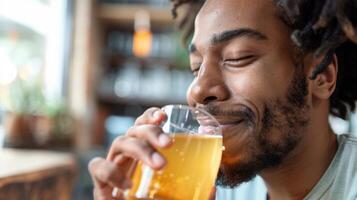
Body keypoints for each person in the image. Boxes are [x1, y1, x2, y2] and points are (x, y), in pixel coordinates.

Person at [88, 0, 357, 199]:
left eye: (237, 58)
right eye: (196, 67)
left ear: (321, 75)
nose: (196, 89)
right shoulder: (214, 188)